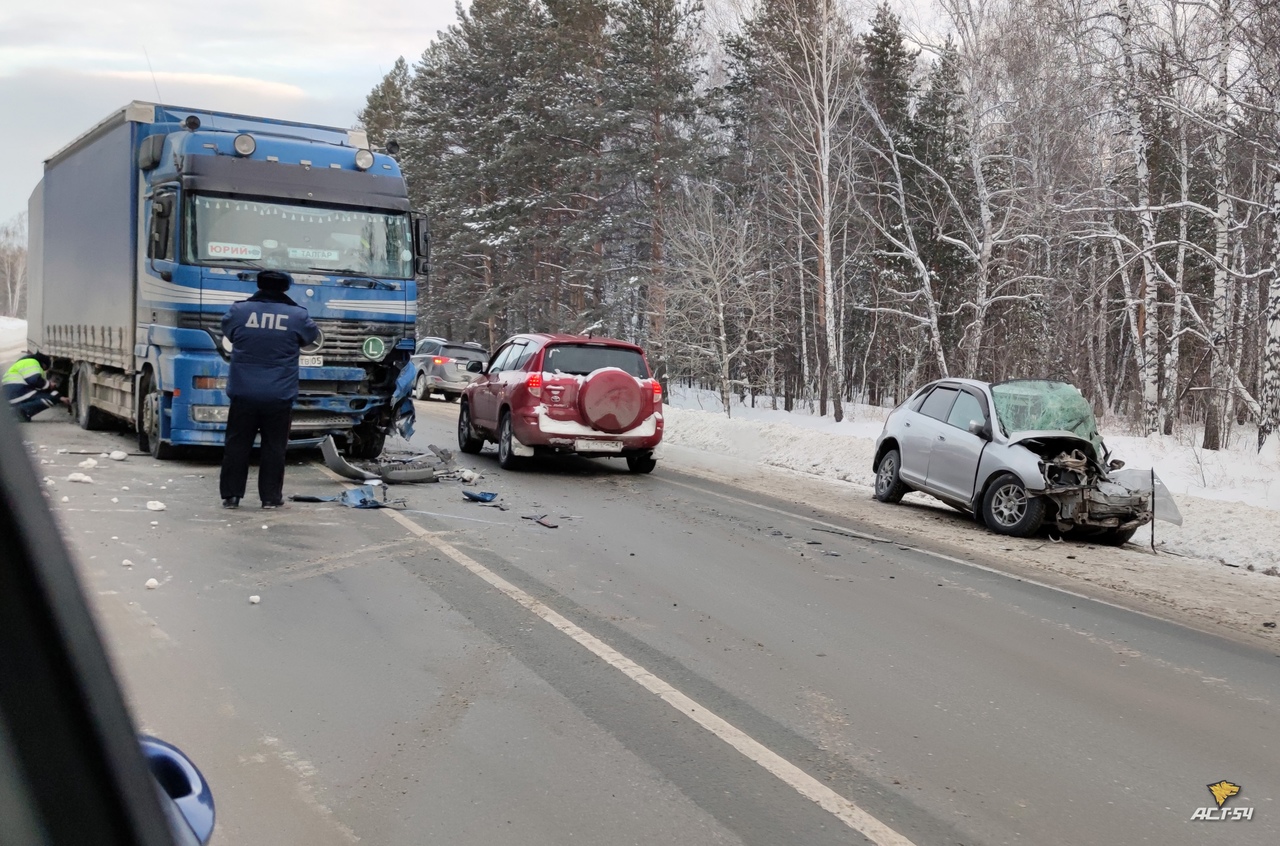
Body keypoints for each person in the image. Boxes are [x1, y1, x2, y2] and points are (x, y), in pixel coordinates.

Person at [219, 270, 320, 509]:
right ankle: (270, 498)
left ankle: (232, 496)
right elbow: (310, 337)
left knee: (237, 445)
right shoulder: (297, 316)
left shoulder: (239, 311)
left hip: (243, 392)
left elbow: (228, 332)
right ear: (285, 288)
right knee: (274, 448)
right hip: (279, 395)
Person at [4, 352, 70, 421]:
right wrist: (49, 385)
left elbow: (42, 388)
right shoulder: (32, 363)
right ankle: (21, 411)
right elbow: (34, 380)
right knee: (50, 399)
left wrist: (60, 397)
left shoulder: (24, 362)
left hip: (13, 392)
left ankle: (19, 411)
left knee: (50, 396)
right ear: (44, 364)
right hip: (17, 391)